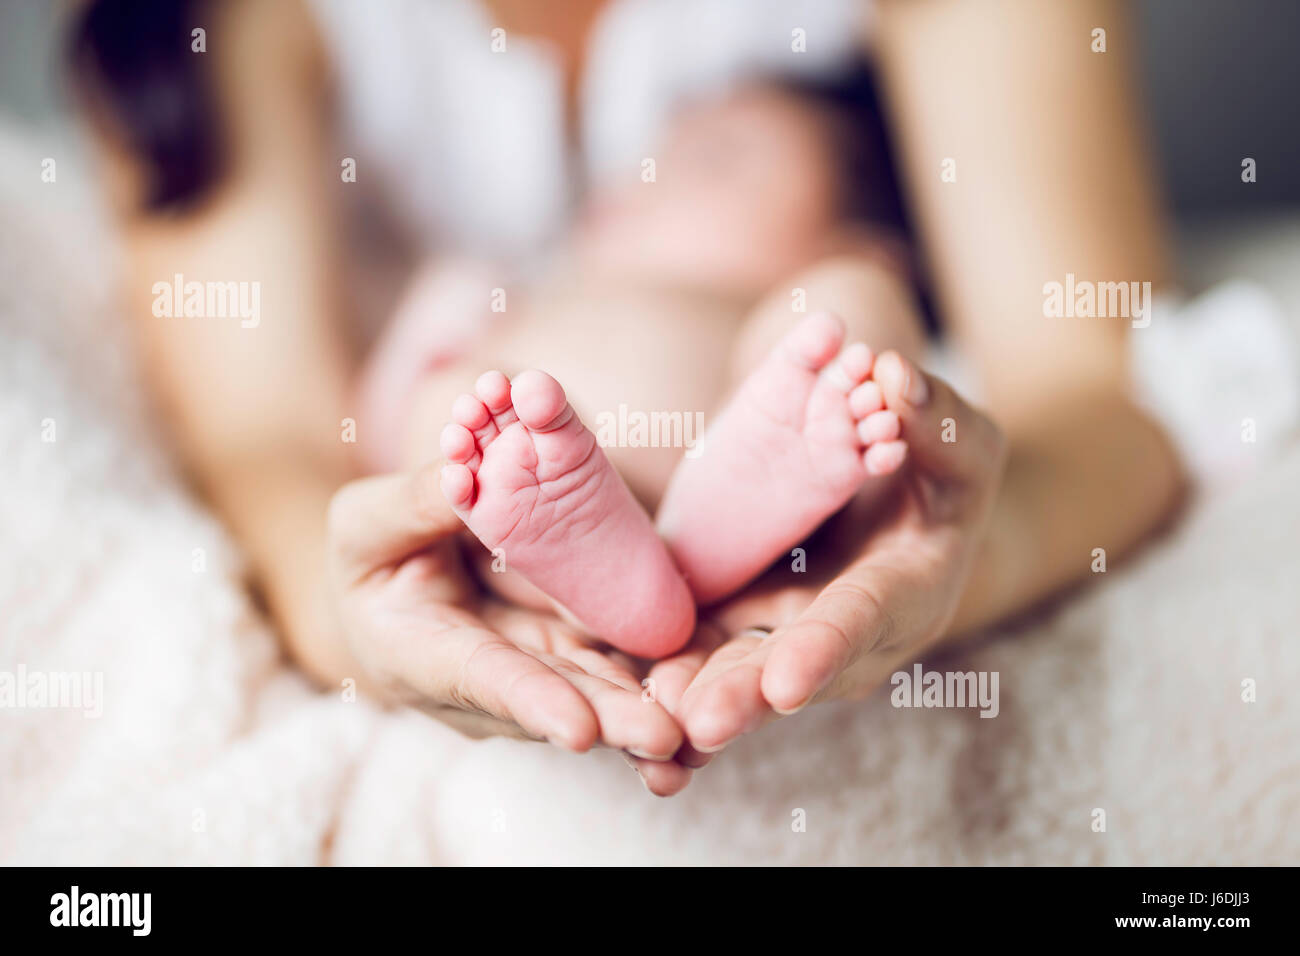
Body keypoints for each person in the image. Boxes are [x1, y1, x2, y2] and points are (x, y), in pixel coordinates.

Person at [71, 0, 1182, 796]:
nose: (645, 174)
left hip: (791, 496)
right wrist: (365, 600)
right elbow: (272, 440)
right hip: (555, 499)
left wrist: (969, 544)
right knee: (456, 414)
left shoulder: (818, 268)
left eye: (717, 157)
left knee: (839, 320)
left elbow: (1098, 386)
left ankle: (777, 467)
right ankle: (585, 554)